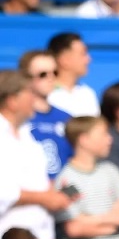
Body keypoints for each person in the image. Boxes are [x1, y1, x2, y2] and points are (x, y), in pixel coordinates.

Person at [0, 70, 71, 239]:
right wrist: (46, 198)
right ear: (12, 100)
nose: (34, 99)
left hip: (40, 237)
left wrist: (56, 193)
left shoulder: (27, 134)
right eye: (30, 93)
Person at [17, 50, 73, 179]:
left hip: (61, 192)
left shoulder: (66, 117)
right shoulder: (15, 118)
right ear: (25, 78)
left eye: (55, 72)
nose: (51, 78)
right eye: (43, 74)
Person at [46, 33, 100, 117]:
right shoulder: (46, 93)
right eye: (83, 54)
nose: (88, 59)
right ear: (64, 60)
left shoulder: (87, 93)